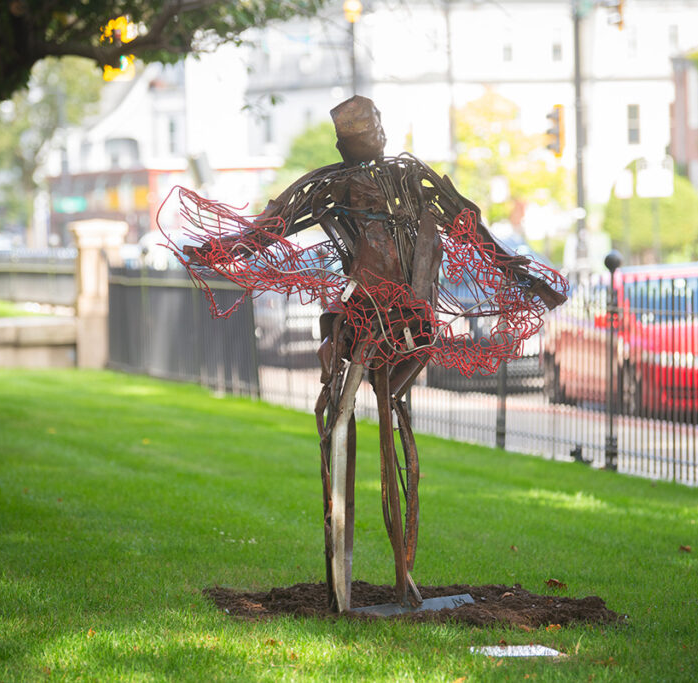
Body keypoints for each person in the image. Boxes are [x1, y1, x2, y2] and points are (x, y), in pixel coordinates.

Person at [166, 96, 567, 611]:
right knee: (343, 425)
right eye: (360, 130)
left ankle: (403, 578)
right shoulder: (332, 185)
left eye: (375, 123)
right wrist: (222, 250)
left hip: (411, 321)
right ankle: (342, 580)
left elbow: (470, 228)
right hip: (363, 318)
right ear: (344, 142)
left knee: (396, 427)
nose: (373, 134)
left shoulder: (413, 176)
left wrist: (522, 275)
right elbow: (275, 223)